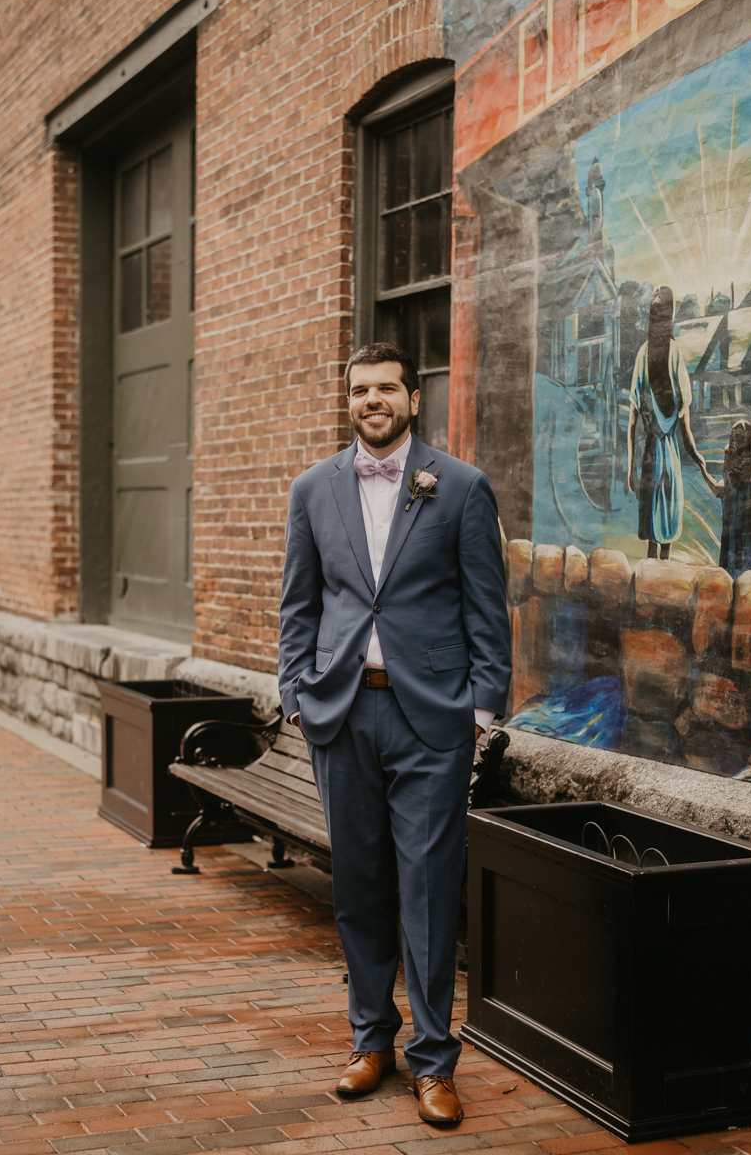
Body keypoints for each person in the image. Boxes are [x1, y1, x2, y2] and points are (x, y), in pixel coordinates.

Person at [278, 342, 511, 1123]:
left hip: (431, 722)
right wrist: (295, 695)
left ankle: (434, 1062)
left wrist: (479, 710)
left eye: (386, 389)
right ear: (349, 401)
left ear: (415, 397)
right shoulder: (313, 489)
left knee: (430, 891)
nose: (371, 400)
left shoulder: (462, 488)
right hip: (342, 716)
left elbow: (487, 608)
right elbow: (299, 606)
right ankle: (370, 1041)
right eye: (359, 390)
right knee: (360, 887)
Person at [626, 284, 719, 558]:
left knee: (650, 539)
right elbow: (686, 428)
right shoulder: (676, 355)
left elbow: (632, 423)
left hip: (649, 458)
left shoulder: (642, 354)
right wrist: (701, 462)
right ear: (671, 317)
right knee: (666, 532)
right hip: (670, 458)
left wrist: (629, 468)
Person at [709, 420, 751, 577]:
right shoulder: (750, 470)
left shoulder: (731, 471)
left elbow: (718, 490)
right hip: (746, 535)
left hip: (732, 531)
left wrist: (703, 469)